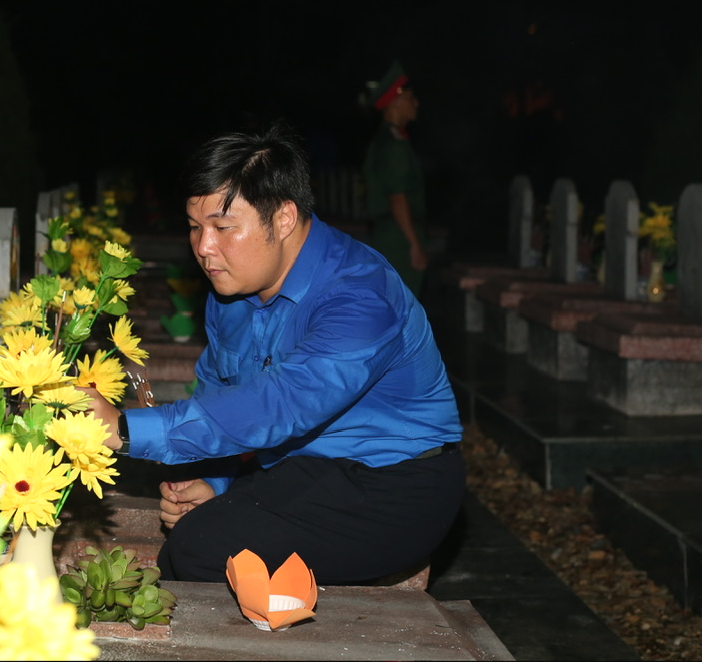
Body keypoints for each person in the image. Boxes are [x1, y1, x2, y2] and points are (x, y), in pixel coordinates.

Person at [84, 121, 465, 585]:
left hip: (396, 481)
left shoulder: (360, 294)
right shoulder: (232, 292)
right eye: (194, 227)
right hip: (302, 468)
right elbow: (222, 391)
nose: (204, 248)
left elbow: (281, 403)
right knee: (196, 538)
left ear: (283, 218)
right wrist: (214, 480)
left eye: (223, 227)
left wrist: (124, 428)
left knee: (199, 548)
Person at [362, 60, 428, 301]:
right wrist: (414, 244)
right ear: (395, 101)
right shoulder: (393, 145)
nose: (416, 103)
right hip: (399, 238)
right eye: (410, 98)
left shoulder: (384, 140)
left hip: (390, 234)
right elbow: (397, 198)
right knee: (404, 308)